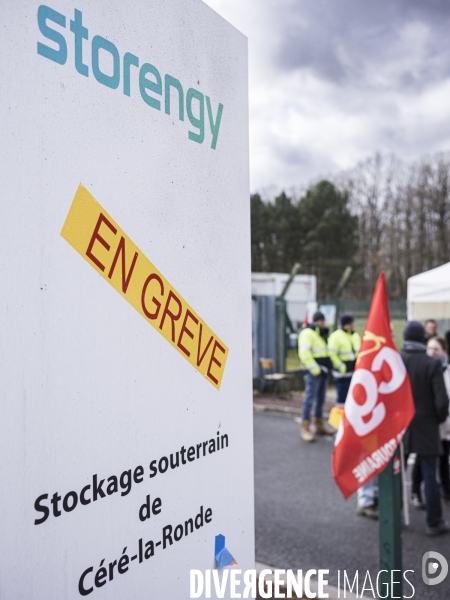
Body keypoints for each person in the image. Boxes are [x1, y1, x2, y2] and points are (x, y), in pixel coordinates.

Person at [400, 321, 450, 536]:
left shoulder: (396, 361)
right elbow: (442, 400)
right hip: (427, 423)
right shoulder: (431, 364)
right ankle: (434, 522)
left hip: (400, 425)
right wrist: (438, 420)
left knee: (397, 472)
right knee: (430, 473)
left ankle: (394, 515)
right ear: (422, 338)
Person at [298, 311, 334, 442]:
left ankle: (319, 426)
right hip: (313, 373)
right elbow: (305, 354)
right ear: (316, 321)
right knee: (309, 400)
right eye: (321, 321)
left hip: (322, 372)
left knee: (320, 400)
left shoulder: (320, 334)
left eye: (323, 321)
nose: (323, 324)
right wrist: (317, 370)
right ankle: (305, 429)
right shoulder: (307, 333)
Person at [328, 314, 361, 405]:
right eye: (351, 323)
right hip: (342, 374)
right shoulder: (336, 336)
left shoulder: (354, 335)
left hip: (353, 372)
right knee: (342, 398)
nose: (353, 325)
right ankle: (339, 418)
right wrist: (341, 366)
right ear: (346, 324)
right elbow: (332, 354)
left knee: (352, 399)